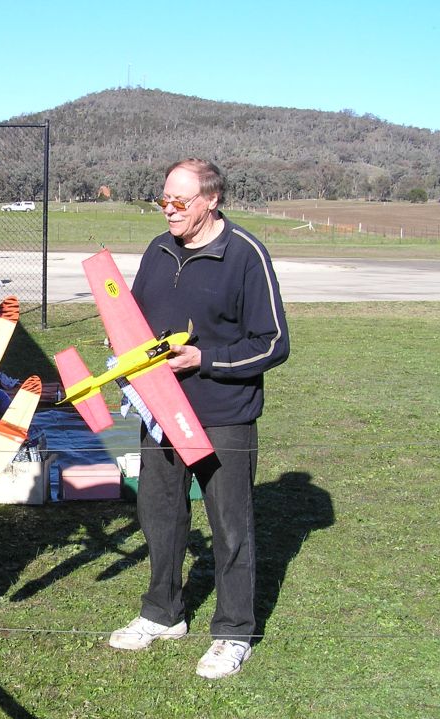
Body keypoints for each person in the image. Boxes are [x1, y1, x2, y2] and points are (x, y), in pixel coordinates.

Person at [108, 158, 289, 680]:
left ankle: (233, 631)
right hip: (159, 408)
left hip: (223, 415)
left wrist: (204, 360)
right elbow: (136, 321)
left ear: (211, 200)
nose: (168, 209)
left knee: (230, 525)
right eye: (163, 199)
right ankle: (162, 613)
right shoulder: (158, 249)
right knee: (159, 514)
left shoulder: (245, 254)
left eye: (180, 201)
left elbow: (273, 343)